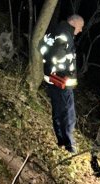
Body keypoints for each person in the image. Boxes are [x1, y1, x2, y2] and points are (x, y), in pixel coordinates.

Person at [39, 14, 84, 153]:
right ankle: (70, 146)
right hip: (62, 82)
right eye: (80, 27)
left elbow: (42, 48)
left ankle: (61, 141)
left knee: (58, 111)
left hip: (52, 80)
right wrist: (63, 70)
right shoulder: (65, 34)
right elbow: (58, 56)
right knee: (68, 114)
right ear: (74, 23)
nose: (81, 30)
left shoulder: (55, 30)